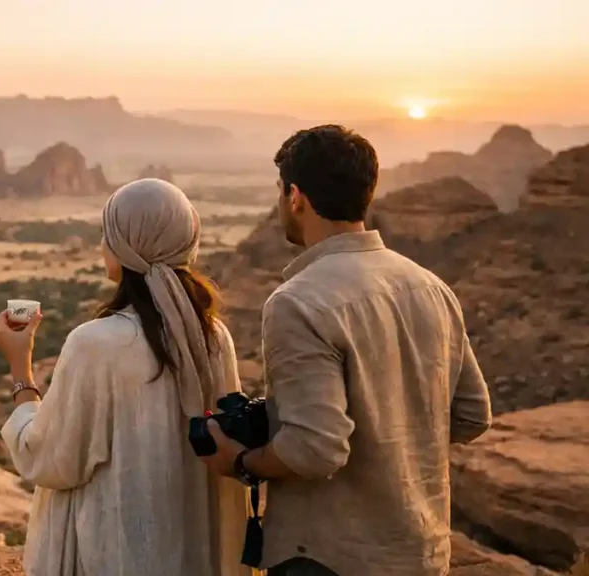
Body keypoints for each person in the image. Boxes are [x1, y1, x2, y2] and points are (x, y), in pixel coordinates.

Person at [199, 125, 493, 576]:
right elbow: (472, 414)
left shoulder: (298, 302)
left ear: (295, 196)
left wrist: (239, 462)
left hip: (326, 557)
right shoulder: (429, 286)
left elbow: (314, 449)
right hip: (422, 551)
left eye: (281, 191)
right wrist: (390, 438)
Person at [0, 178, 252, 576]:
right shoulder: (214, 336)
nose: (102, 246)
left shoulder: (96, 343)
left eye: (108, 235)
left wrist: (20, 369)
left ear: (126, 246)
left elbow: (46, 458)